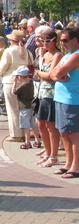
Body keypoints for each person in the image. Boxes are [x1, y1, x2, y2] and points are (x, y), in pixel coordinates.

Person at [50, 27, 79, 178]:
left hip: (72, 100)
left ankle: (76, 166)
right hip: (61, 98)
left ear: (75, 40)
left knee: (73, 133)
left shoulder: (76, 55)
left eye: (65, 40)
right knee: (64, 132)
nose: (62, 43)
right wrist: (58, 74)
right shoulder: (67, 56)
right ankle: (68, 163)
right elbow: (52, 73)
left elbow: (57, 72)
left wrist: (58, 74)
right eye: (61, 40)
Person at [0, 29, 33, 142]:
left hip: (11, 81)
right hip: (25, 82)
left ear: (12, 41)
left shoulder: (9, 51)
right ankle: (24, 132)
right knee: (24, 108)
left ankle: (16, 134)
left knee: (12, 109)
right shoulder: (27, 52)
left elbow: (2, 69)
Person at [34, 27, 62, 167]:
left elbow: (51, 76)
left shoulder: (57, 55)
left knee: (51, 126)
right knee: (41, 124)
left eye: (47, 41)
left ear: (54, 41)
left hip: (51, 93)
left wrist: (40, 74)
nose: (45, 43)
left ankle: (53, 155)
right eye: (42, 40)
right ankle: (47, 152)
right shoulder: (44, 55)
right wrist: (40, 73)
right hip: (41, 93)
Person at [12, 66, 40, 149]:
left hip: (24, 108)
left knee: (26, 126)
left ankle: (27, 142)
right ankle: (37, 141)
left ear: (20, 76)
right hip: (32, 107)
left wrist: (15, 82)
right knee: (33, 125)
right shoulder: (32, 83)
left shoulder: (22, 87)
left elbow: (13, 92)